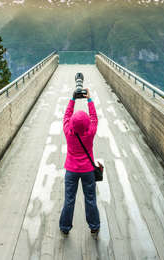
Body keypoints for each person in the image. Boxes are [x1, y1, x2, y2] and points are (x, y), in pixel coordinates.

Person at [59, 88, 100, 239]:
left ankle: (65, 227)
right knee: (90, 199)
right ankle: (94, 227)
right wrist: (89, 100)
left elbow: (66, 116)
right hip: (88, 170)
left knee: (69, 199)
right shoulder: (90, 132)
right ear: (87, 124)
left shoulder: (68, 132)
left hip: (71, 170)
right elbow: (94, 117)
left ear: (72, 124)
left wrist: (72, 100)